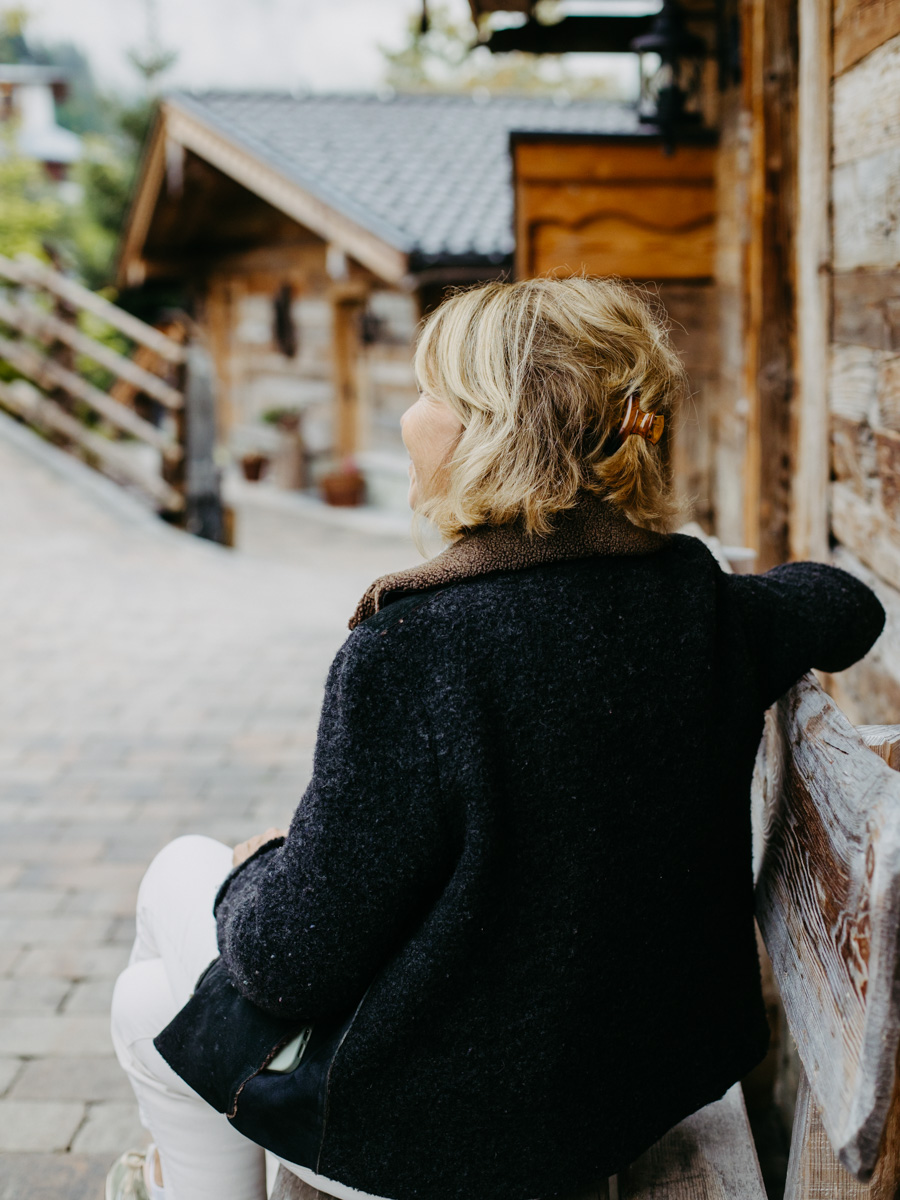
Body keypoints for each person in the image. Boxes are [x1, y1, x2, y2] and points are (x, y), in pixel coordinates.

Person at [107, 277, 886, 1200]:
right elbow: (848, 603)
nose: (407, 419)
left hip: (450, 1136)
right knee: (153, 998)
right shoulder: (701, 605)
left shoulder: (413, 649)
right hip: (622, 1090)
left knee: (174, 895)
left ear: (497, 429)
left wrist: (254, 872)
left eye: (429, 393)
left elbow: (286, 960)